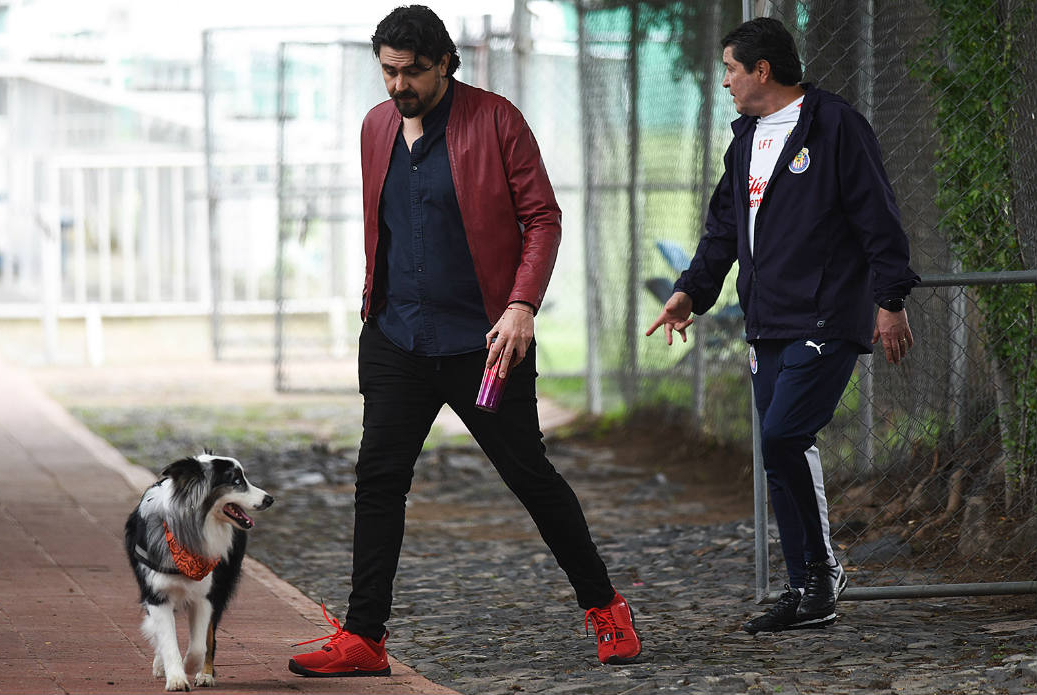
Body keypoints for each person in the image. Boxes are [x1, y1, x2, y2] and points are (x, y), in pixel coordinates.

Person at [289, 5, 640, 677]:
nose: (398, 86)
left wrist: (521, 304)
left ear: (445, 61)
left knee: (529, 475)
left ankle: (605, 605)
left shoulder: (496, 121)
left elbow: (542, 217)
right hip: (396, 336)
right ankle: (364, 636)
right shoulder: (376, 126)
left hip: (485, 342)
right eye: (388, 71)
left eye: (412, 72)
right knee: (378, 480)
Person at [646, 17, 919, 634]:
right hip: (766, 321)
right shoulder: (745, 139)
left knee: (783, 435)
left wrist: (890, 299)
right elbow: (723, 230)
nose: (724, 83)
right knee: (779, 449)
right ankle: (804, 588)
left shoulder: (836, 126)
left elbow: (879, 217)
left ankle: (822, 576)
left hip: (825, 315)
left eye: (731, 70)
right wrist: (691, 292)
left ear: (761, 71)